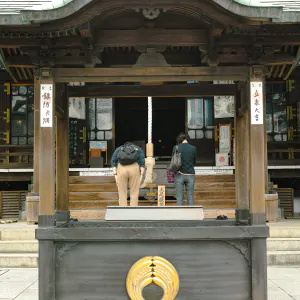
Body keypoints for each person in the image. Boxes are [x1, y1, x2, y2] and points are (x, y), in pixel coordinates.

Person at [111, 142, 145, 206]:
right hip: (134, 168)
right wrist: (141, 175)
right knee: (134, 191)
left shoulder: (119, 149)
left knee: (122, 191)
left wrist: (115, 174)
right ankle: (133, 210)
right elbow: (142, 162)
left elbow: (113, 161)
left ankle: (123, 210)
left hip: (121, 168)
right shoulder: (138, 149)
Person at [172, 133, 196, 205]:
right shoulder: (193, 148)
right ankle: (191, 214)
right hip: (190, 174)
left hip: (179, 174)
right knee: (190, 196)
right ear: (187, 139)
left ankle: (180, 214)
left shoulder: (176, 147)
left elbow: (174, 161)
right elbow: (194, 161)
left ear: (179, 139)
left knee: (179, 196)